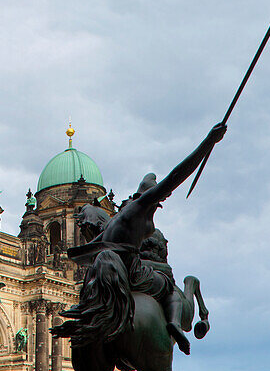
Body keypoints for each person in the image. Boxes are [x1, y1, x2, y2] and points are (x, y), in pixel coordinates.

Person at [58, 122, 227, 347]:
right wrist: (209, 142)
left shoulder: (115, 221)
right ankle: (175, 325)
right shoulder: (141, 206)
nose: (161, 200)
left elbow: (84, 253)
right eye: (158, 195)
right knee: (168, 285)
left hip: (115, 269)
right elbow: (177, 175)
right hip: (132, 271)